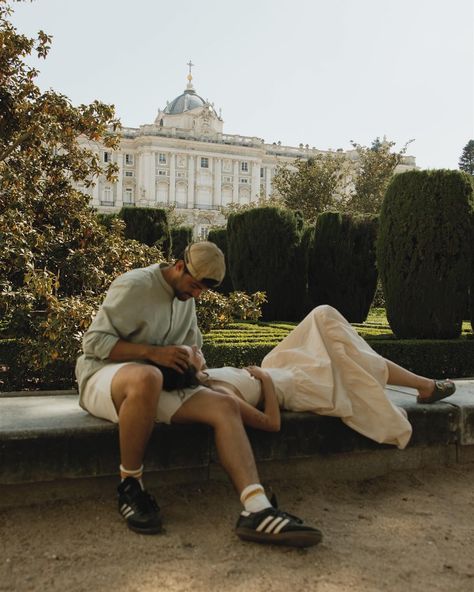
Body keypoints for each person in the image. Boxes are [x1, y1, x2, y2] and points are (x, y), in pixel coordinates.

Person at [75, 242, 322, 548]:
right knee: (148, 375)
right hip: (103, 376)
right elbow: (94, 343)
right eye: (192, 286)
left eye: (200, 292)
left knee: (224, 405)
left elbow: (194, 346)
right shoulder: (135, 284)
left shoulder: (185, 297)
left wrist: (194, 360)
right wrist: (154, 353)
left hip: (154, 384)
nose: (194, 295)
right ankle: (130, 485)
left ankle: (257, 509)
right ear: (179, 266)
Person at [181, 305, 456, 450]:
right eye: (191, 353)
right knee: (346, 348)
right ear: (189, 370)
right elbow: (271, 423)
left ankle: (425, 385)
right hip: (298, 385)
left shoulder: (209, 376)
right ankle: (425, 385)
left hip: (284, 364)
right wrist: (264, 379)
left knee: (326, 320)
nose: (196, 348)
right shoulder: (217, 392)